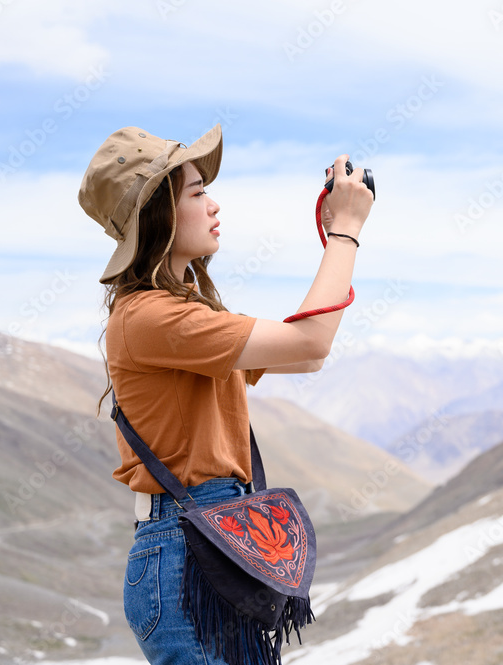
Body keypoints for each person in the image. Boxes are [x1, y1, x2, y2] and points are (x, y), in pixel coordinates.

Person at [77, 123, 373, 665]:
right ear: (158, 215)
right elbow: (312, 339)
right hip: (188, 553)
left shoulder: (183, 313)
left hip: (211, 542)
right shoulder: (152, 317)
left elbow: (307, 354)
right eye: (196, 192)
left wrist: (338, 234)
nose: (213, 205)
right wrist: (345, 232)